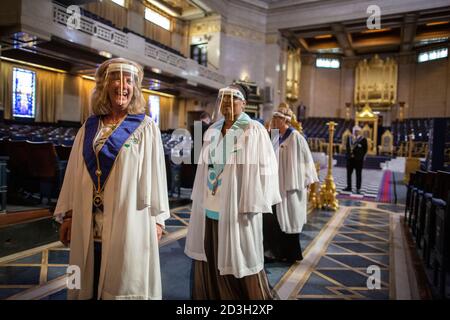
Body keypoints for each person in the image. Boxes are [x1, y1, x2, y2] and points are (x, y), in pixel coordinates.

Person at [55, 58, 170, 300]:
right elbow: (75, 174)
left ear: (135, 88)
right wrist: (69, 214)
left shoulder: (146, 128)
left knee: (122, 279)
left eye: (128, 81)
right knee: (85, 278)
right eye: (115, 79)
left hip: (129, 221)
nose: (122, 86)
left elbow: (157, 175)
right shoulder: (89, 127)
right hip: (89, 221)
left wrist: (158, 220)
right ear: (105, 86)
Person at [185, 83, 281, 300]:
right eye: (223, 99)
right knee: (213, 255)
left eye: (233, 98)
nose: (227, 103)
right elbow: (203, 168)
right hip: (211, 205)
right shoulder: (211, 130)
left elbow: (267, 170)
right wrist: (199, 197)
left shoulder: (253, 130)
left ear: (244, 104)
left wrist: (254, 202)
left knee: (240, 258)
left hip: (239, 208)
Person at [263, 103, 319, 262]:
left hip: (290, 186)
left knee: (289, 218)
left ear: (284, 120)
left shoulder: (295, 137)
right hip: (274, 185)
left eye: (276, 118)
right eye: (273, 118)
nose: (273, 121)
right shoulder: (273, 136)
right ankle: (273, 252)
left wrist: (305, 182)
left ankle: (289, 254)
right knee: (271, 219)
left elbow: (306, 161)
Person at [343, 125, 368, 194]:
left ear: (359, 132)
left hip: (358, 160)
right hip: (350, 159)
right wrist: (348, 156)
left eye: (357, 131)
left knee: (358, 174)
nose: (356, 132)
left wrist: (361, 157)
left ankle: (358, 188)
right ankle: (349, 187)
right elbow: (347, 147)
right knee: (348, 174)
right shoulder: (349, 138)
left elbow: (365, 149)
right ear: (353, 131)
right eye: (355, 131)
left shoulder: (363, 139)